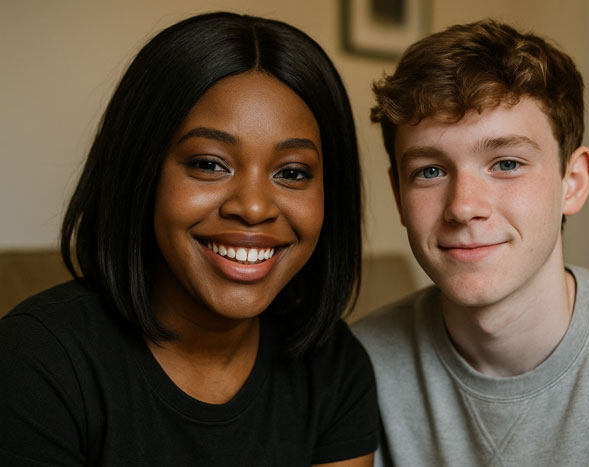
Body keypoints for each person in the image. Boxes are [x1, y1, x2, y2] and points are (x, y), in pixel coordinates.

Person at [0, 12, 378, 466]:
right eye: (209, 163)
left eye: (292, 172)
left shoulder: (334, 366)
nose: (254, 207)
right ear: (142, 171)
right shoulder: (35, 362)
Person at [352, 19, 589, 466]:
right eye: (430, 171)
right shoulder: (357, 366)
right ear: (399, 196)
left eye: (507, 163)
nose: (463, 207)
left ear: (572, 183)